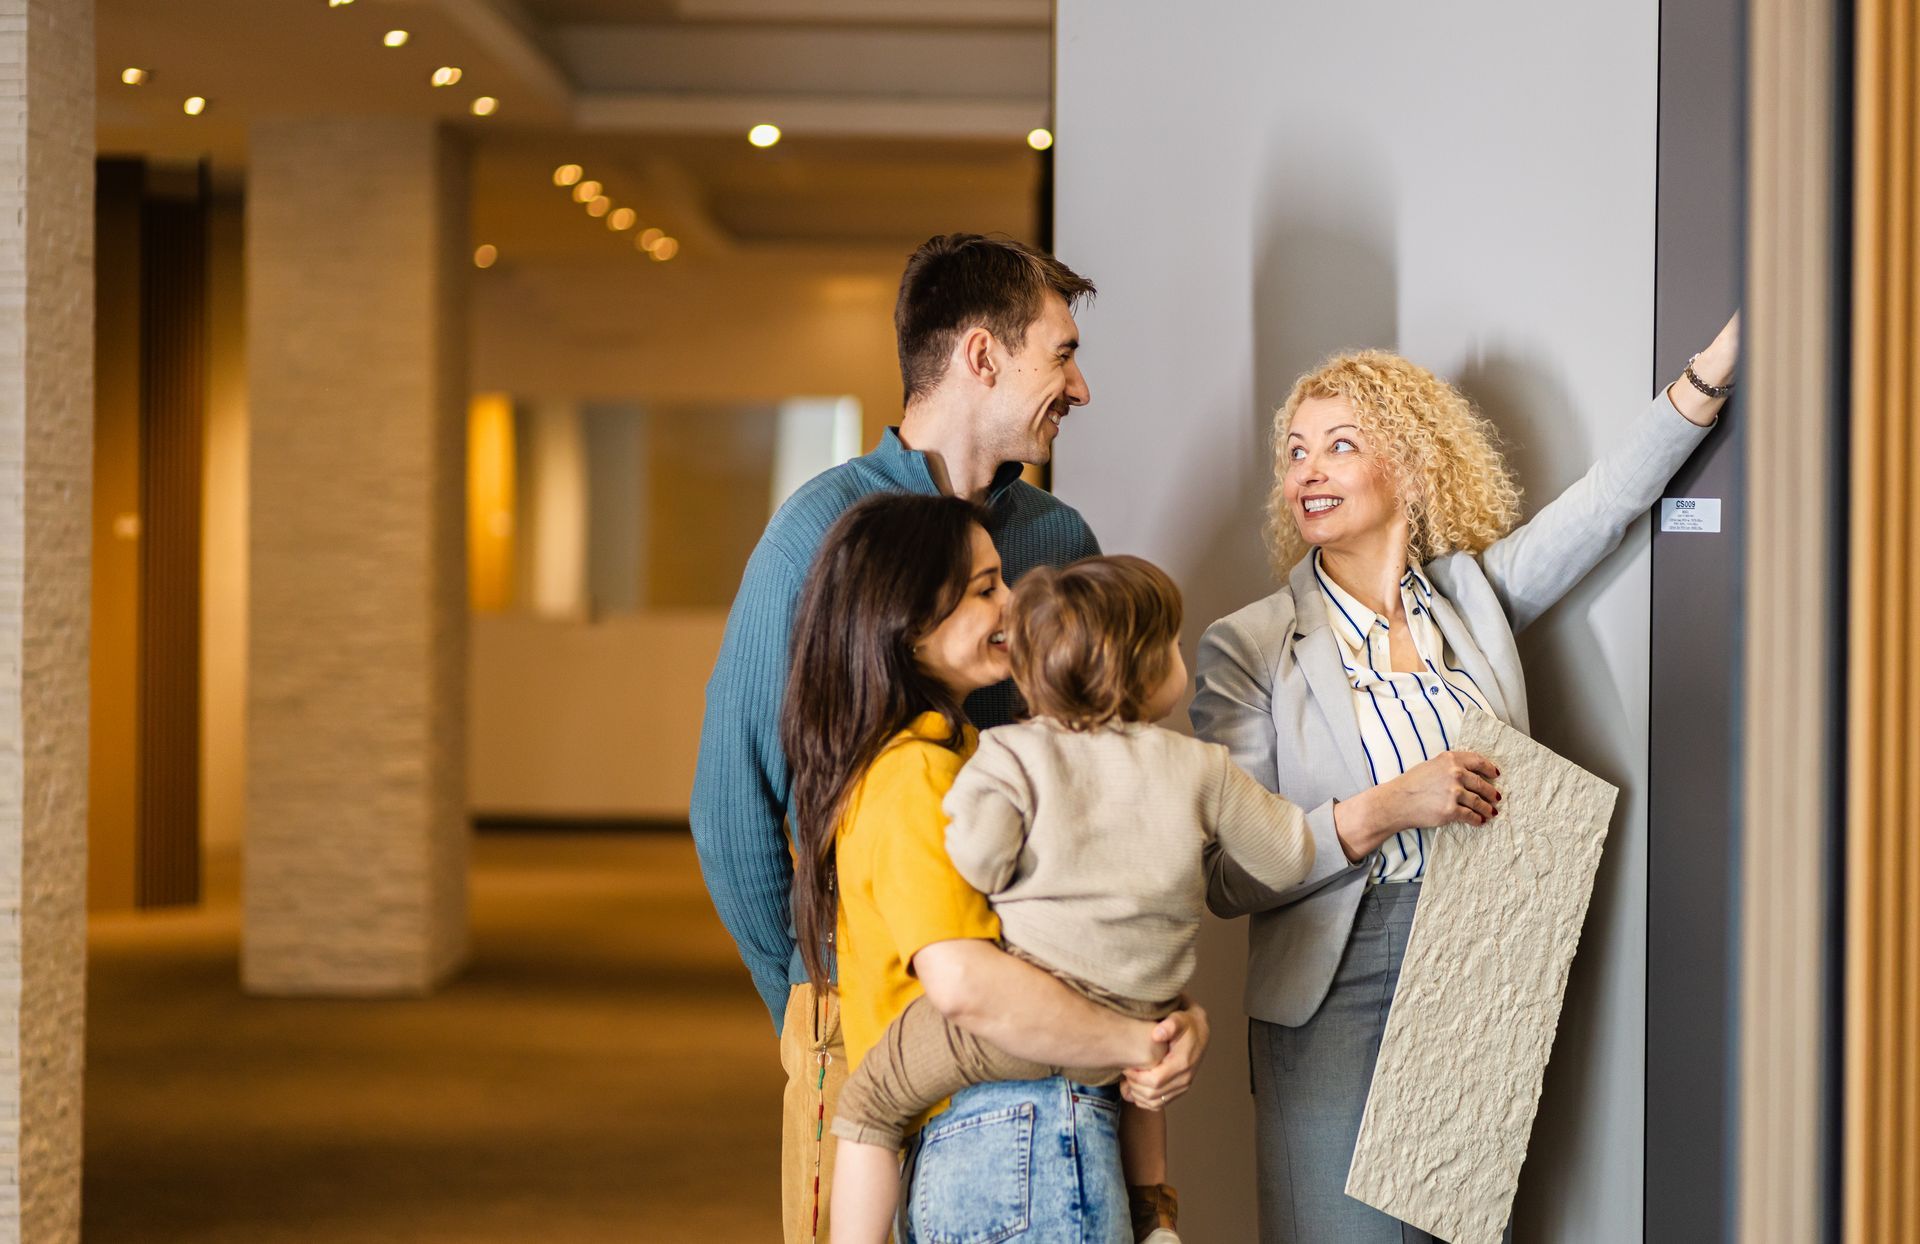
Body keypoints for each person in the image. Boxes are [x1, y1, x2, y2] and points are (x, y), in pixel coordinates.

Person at [688, 234, 1205, 1241]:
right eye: (1062, 354)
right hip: (867, 1011)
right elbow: (730, 806)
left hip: (1037, 1014)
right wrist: (814, 992)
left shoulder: (1058, 541)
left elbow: (1103, 774)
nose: (1081, 388)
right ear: (981, 355)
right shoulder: (819, 532)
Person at [1190, 316, 1740, 1242]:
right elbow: (1227, 876)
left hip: (1477, 955)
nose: (1309, 471)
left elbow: (1604, 504)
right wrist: (1384, 809)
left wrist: (1715, 369)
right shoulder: (1246, 646)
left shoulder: (1473, 601)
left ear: (1411, 469)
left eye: (1340, 445)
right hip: (1331, 982)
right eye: (1295, 452)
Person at [784, 496, 1206, 1244]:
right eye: (985, 588)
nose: (1013, 602)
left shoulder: (970, 759)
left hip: (1006, 1136)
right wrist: (1139, 1040)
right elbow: (965, 983)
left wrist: (1171, 1020)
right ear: (908, 623)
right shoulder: (916, 776)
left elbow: (1088, 943)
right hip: (1013, 1132)